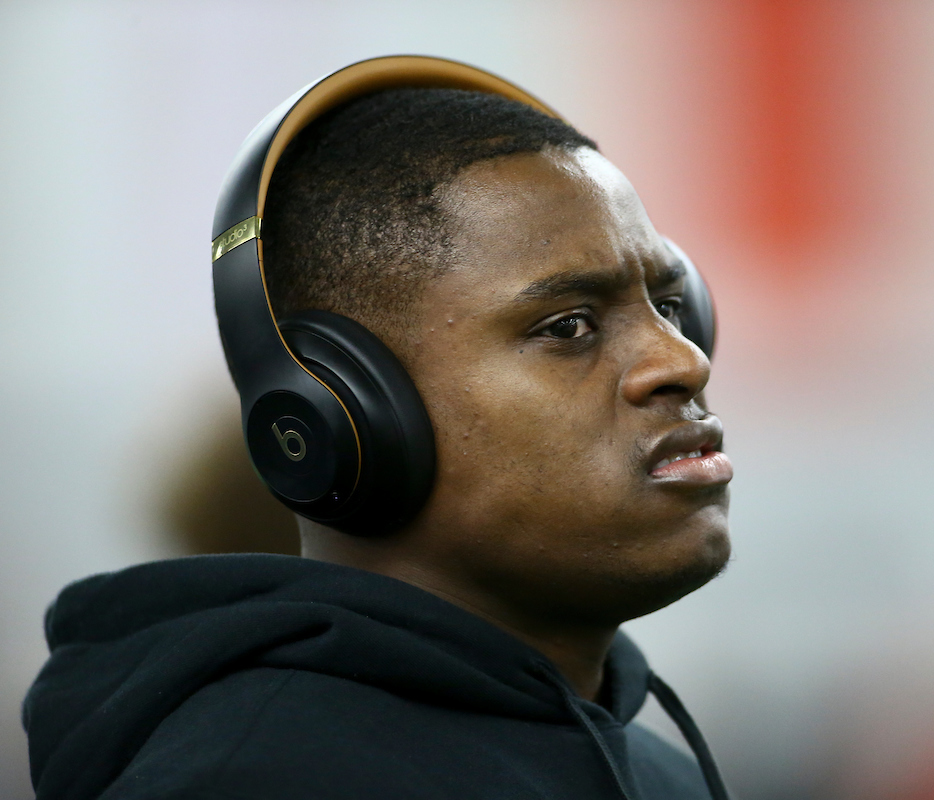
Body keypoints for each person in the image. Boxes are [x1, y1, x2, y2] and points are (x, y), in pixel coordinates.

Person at [23, 57, 733, 800]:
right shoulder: (250, 781)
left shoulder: (663, 776)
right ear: (342, 412)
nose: (681, 360)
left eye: (672, 306)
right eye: (568, 326)